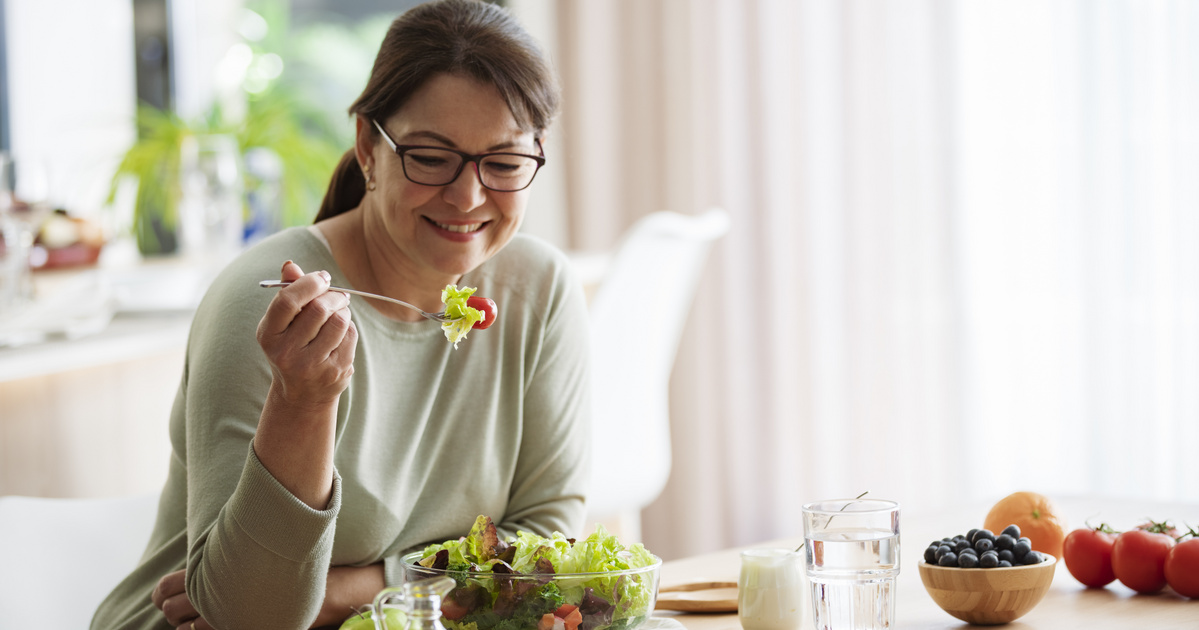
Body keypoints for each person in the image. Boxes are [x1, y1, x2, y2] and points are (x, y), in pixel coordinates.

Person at [91, 1, 590, 628]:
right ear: (367, 147)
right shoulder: (275, 303)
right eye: (431, 158)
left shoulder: (536, 290)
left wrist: (349, 590)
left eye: (504, 162)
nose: (467, 197)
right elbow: (252, 616)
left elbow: (545, 541)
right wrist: (304, 400)